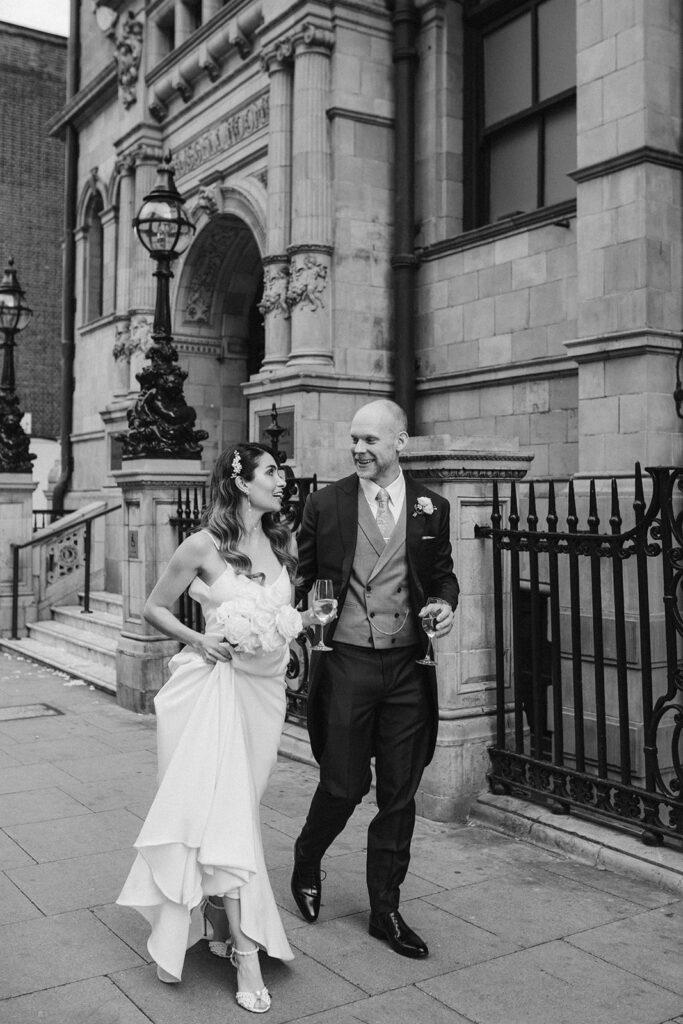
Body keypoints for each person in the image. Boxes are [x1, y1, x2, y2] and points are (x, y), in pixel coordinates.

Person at [118, 443, 317, 1013]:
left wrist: (294, 629)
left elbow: (284, 613)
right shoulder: (204, 545)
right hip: (218, 692)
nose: (282, 480)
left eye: (281, 471)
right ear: (242, 482)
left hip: (266, 693)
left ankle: (214, 914)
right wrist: (201, 639)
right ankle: (247, 951)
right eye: (272, 472)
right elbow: (155, 607)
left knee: (239, 808)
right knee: (229, 813)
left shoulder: (283, 542)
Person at [291, 399, 459, 958]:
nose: (359, 449)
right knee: (342, 784)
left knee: (398, 793)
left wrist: (444, 606)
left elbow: (442, 579)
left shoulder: (433, 508)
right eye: (354, 440)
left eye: (371, 440)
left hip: (409, 668)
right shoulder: (326, 503)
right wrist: (309, 611)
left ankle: (384, 907)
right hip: (347, 663)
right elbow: (305, 577)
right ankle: (307, 858)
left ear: (400, 443)